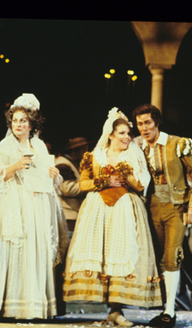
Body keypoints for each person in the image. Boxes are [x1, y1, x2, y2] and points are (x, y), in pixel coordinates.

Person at [0, 93, 69, 320]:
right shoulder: (5, 145)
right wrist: (15, 165)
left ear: (32, 124)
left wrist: (52, 174)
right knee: (6, 251)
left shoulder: (38, 146)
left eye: (23, 121)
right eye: (15, 120)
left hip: (34, 204)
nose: (19, 124)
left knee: (30, 253)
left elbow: (45, 176)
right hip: (10, 202)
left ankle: (27, 307)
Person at [63, 107, 162, 327]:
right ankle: (110, 310)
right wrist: (103, 182)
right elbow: (82, 184)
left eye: (128, 133)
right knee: (102, 256)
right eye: (122, 133)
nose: (127, 137)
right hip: (98, 208)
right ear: (110, 134)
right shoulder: (94, 156)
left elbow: (141, 185)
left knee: (123, 253)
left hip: (126, 207)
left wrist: (127, 175)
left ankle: (117, 310)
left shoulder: (134, 154)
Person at [132, 104, 192, 327]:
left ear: (157, 122)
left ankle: (170, 311)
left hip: (177, 207)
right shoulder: (138, 147)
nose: (144, 128)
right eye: (140, 124)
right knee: (160, 260)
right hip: (152, 207)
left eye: (147, 123)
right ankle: (166, 305)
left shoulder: (178, 142)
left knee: (172, 256)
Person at [55, 137, 90, 228]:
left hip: (74, 212)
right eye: (83, 151)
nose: (86, 154)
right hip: (69, 213)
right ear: (74, 152)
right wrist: (89, 186)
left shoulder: (75, 162)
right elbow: (67, 189)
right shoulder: (63, 164)